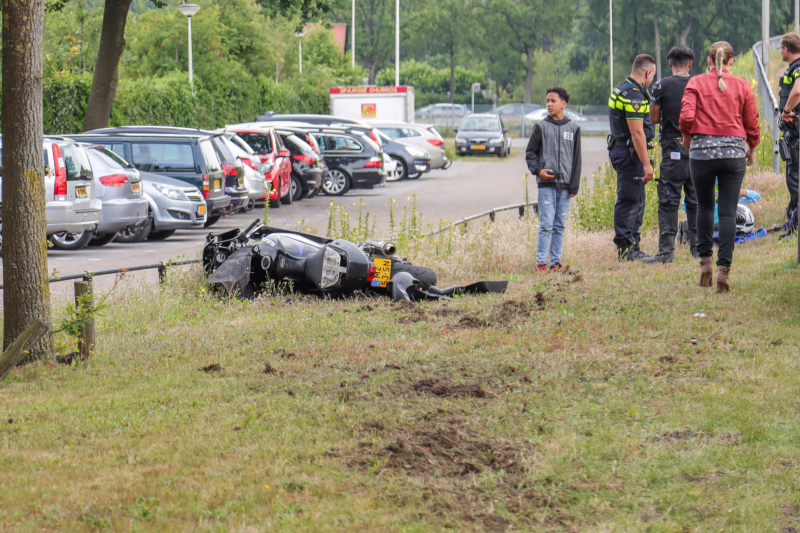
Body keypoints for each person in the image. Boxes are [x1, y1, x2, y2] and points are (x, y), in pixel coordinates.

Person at [680, 41, 760, 292]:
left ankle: (705, 264)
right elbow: (752, 120)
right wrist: (752, 146)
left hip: (701, 155)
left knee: (704, 206)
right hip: (733, 154)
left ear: (708, 61)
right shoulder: (742, 85)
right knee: (727, 212)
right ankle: (724, 270)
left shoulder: (695, 83)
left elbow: (686, 117)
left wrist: (686, 137)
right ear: (731, 62)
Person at [642, 45, 698, 263]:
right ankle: (698, 249)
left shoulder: (661, 85)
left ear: (670, 63)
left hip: (673, 150)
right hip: (697, 150)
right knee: (696, 201)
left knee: (668, 199)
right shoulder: (698, 84)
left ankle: (666, 252)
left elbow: (654, 118)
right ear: (690, 63)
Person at [525, 87, 582, 272]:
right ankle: (540, 262)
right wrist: (538, 171)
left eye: (553, 101)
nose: (549, 104)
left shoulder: (573, 128)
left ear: (563, 104)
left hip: (566, 187)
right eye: (547, 100)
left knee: (559, 225)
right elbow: (530, 153)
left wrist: (574, 185)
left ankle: (555, 262)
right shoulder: (541, 127)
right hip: (546, 186)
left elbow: (576, 159)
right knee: (546, 224)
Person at [608, 54, 657, 261]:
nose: (652, 79)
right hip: (630, 153)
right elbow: (637, 133)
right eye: (652, 75)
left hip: (624, 150)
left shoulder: (622, 87)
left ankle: (634, 246)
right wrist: (647, 164)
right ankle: (626, 249)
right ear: (647, 73)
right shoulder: (633, 95)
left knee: (637, 199)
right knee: (629, 199)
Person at [778, 33, 800, 238]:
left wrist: (785, 111)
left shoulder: (798, 68)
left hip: (796, 133)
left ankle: (796, 227)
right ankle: (792, 219)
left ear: (786, 50)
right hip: (793, 133)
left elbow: (797, 91)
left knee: (795, 179)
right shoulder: (794, 69)